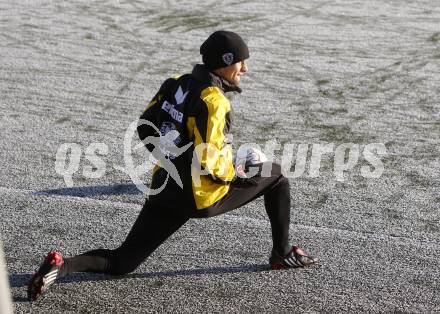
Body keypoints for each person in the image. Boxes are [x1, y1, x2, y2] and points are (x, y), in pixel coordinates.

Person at [27, 30, 317, 302]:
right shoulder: (214, 102)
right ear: (225, 62)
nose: (245, 69)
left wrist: (170, 158)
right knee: (276, 175)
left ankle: (62, 266)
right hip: (200, 197)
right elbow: (210, 161)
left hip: (166, 184)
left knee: (123, 261)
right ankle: (282, 253)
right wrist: (236, 175)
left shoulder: (176, 82)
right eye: (241, 62)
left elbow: (145, 127)